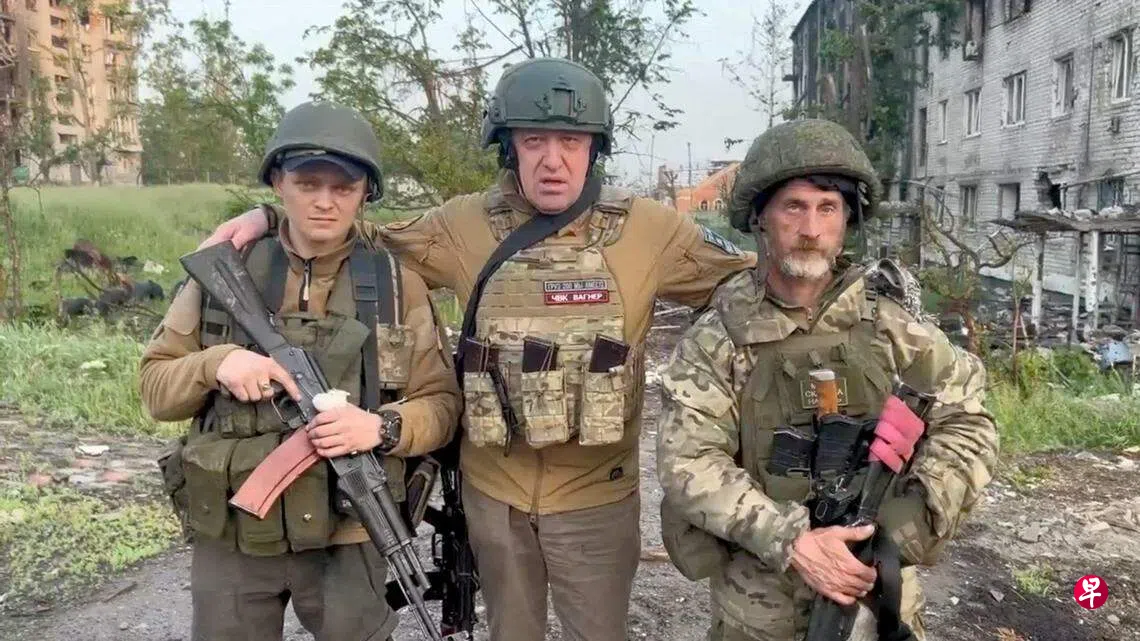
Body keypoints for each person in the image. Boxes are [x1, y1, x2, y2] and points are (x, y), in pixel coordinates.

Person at [205, 57, 757, 641]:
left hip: (598, 497)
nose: (553, 160)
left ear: (594, 149)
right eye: (534, 141)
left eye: (571, 142)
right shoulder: (463, 224)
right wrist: (271, 215)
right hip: (495, 496)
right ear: (508, 147)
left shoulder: (650, 230)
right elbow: (356, 234)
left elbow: (752, 281)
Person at [654, 118, 999, 641]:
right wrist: (792, 542)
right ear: (760, 218)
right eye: (793, 207)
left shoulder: (891, 324)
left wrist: (904, 527)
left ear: (847, 220)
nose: (811, 229)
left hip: (878, 599)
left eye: (828, 208)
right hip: (760, 612)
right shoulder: (720, 337)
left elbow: (967, 417)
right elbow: (687, 461)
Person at [141, 101, 461, 641]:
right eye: (307, 184)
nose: (324, 202)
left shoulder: (395, 284)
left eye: (344, 188)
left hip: (349, 527)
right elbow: (155, 389)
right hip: (236, 528)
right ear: (277, 183)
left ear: (365, 193)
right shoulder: (226, 272)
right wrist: (217, 363)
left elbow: (443, 405)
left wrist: (382, 427)